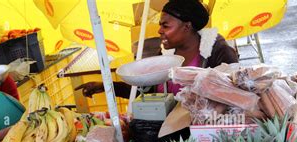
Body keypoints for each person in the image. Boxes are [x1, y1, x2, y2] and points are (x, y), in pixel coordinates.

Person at [76, 0, 239, 98]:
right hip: (168, 138)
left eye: (165, 25)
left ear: (187, 26)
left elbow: (236, 96)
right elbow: (145, 94)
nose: (159, 30)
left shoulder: (219, 53)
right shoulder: (165, 56)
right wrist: (106, 86)